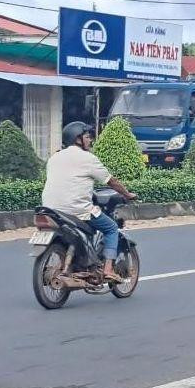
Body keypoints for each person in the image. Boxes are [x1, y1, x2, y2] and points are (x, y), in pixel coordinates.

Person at [41, 121, 137, 282]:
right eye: (87, 137)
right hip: (76, 210)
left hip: (50, 210)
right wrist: (127, 194)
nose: (90, 140)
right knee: (111, 228)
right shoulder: (88, 158)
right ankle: (108, 269)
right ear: (77, 139)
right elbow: (111, 181)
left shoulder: (54, 158)